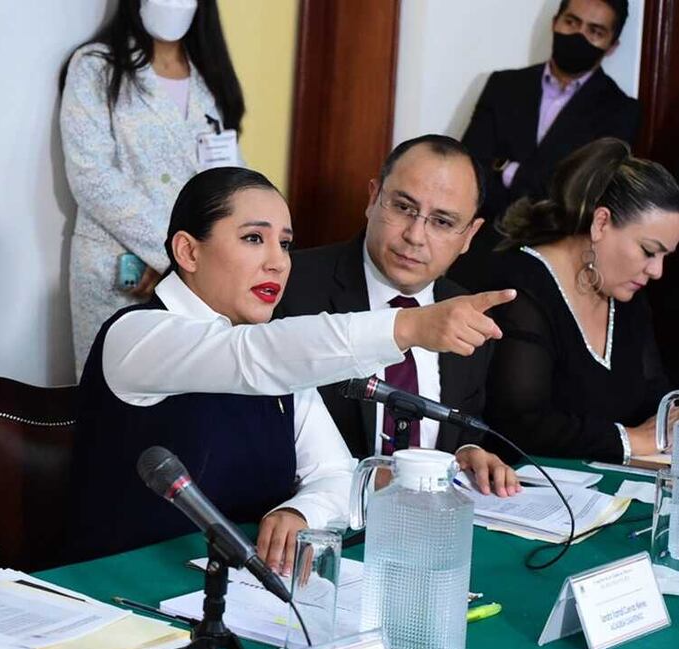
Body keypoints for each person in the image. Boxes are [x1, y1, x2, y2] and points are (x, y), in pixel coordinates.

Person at [67, 167, 516, 570]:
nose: (278, 262)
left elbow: (337, 476)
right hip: (122, 602)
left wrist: (301, 512)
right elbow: (247, 358)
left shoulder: (277, 363)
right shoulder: (137, 337)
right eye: (252, 239)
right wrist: (407, 326)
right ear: (187, 251)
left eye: (284, 243)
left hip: (238, 594)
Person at [278, 135, 521, 496]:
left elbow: (466, 427)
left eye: (441, 222)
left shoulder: (466, 312)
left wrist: (468, 453)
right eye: (404, 208)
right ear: (373, 198)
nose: (415, 235)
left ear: (469, 235)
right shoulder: (290, 286)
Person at [60, 0, 245, 376]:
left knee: (188, 405)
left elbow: (230, 181)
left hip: (199, 275)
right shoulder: (96, 67)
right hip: (124, 272)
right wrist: (174, 256)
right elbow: (92, 176)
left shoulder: (210, 77)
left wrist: (204, 262)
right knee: (113, 406)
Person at [484, 139, 679, 463]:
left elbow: (653, 395)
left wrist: (671, 418)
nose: (656, 271)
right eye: (648, 250)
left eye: (664, 256)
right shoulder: (519, 289)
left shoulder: (627, 295)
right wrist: (628, 440)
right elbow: (520, 424)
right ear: (601, 222)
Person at [452, 0, 638, 288]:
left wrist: (506, 169)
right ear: (556, 22)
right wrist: (548, 176)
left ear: (612, 45)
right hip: (477, 253)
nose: (578, 36)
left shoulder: (621, 111)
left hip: (554, 269)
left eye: (595, 31)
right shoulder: (504, 86)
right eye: (572, 22)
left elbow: (581, 195)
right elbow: (469, 170)